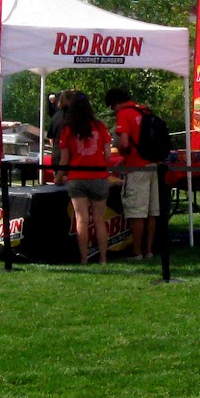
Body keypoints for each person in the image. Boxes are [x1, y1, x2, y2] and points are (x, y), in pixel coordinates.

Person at [106, 86, 162, 261]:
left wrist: (125, 156)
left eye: (111, 107)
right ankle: (149, 250)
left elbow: (123, 143)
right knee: (152, 211)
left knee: (137, 212)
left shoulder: (124, 114)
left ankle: (136, 252)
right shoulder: (144, 110)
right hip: (153, 164)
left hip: (137, 167)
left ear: (115, 103)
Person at [57, 92, 113, 266]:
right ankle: (103, 258)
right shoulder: (100, 126)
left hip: (77, 177)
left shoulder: (68, 129)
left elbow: (64, 159)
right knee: (99, 219)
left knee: (81, 219)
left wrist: (59, 177)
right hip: (98, 176)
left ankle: (83, 259)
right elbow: (108, 154)